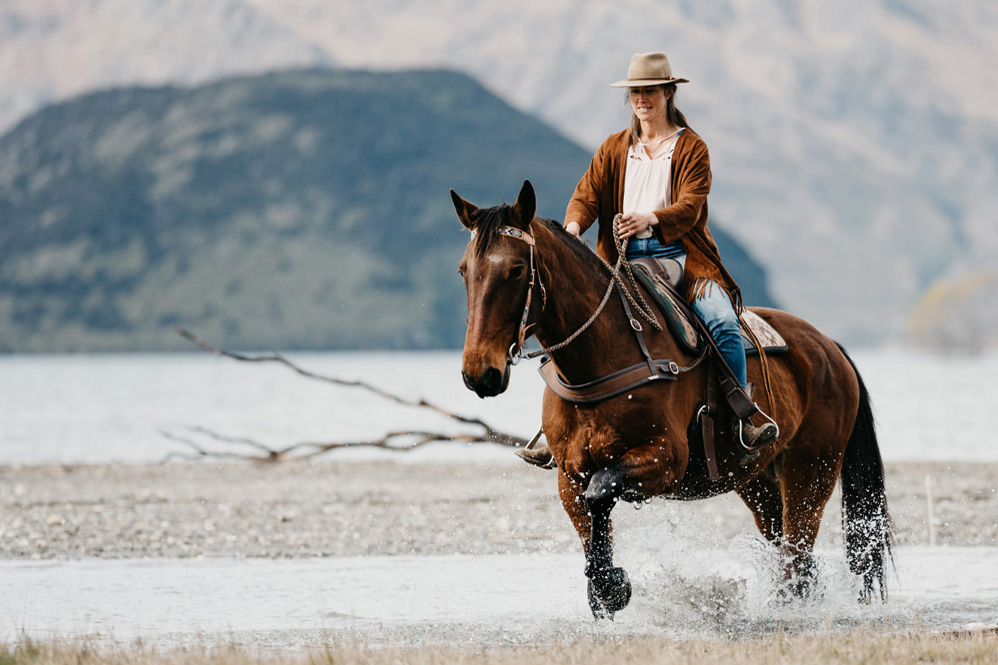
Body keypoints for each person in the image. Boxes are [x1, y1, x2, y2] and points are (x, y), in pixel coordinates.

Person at [517, 52, 777, 468]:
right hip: (618, 262)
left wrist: (651, 218)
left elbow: (692, 205)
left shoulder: (691, 147)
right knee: (571, 317)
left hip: (682, 261)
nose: (642, 99)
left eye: (650, 91)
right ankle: (556, 429)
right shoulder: (614, 148)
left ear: (668, 93)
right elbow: (588, 195)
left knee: (723, 323)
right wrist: (571, 230)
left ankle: (743, 414)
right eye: (636, 92)